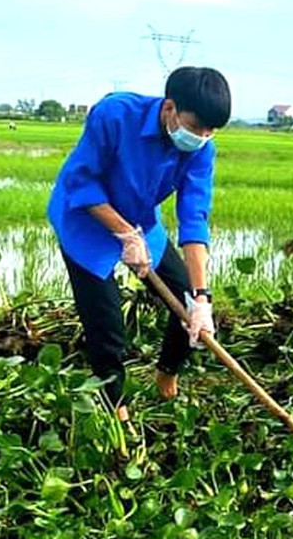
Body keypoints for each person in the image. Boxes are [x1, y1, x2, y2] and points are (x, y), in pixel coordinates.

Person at [46, 67, 232, 405]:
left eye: (211, 131)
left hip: (141, 221)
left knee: (185, 302)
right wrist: (123, 234)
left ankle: (167, 372)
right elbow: (81, 181)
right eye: (194, 127)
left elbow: (194, 217)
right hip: (85, 220)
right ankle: (114, 406)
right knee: (107, 326)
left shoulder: (201, 149)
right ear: (169, 108)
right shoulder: (115, 115)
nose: (201, 137)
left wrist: (201, 297)